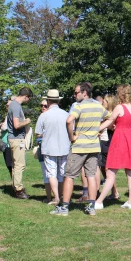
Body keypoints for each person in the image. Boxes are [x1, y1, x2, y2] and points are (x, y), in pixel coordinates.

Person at [51, 82, 110, 217]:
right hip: (94, 146)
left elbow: (68, 120)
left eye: (77, 92)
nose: (74, 95)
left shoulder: (79, 106)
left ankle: (64, 207)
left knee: (69, 176)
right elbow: (111, 117)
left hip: (79, 147)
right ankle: (91, 206)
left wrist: (72, 136)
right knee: (91, 176)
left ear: (85, 93)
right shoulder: (98, 106)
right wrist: (98, 129)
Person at [95, 84, 131, 210]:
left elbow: (110, 121)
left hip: (120, 138)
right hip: (130, 138)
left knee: (111, 171)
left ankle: (99, 201)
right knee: (130, 171)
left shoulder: (120, 107)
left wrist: (95, 129)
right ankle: (130, 202)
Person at [35, 90, 70, 207]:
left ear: (48, 101)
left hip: (49, 148)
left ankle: (56, 196)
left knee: (51, 173)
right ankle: (61, 196)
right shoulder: (66, 114)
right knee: (62, 173)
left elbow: (38, 133)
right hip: (64, 147)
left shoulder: (44, 115)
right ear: (58, 101)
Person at [7, 87, 33, 199]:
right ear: (26, 96)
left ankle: (16, 186)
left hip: (13, 138)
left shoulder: (13, 104)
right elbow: (16, 125)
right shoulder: (16, 106)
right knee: (19, 165)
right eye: (29, 99)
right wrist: (27, 121)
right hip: (17, 139)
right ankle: (19, 190)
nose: (28, 101)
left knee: (15, 164)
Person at [98, 95, 120, 199]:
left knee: (107, 169)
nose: (103, 101)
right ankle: (113, 192)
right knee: (103, 168)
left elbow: (113, 127)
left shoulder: (112, 115)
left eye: (105, 100)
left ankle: (115, 192)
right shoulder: (104, 113)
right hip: (103, 142)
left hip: (108, 143)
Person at [35, 98, 53, 203]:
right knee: (45, 173)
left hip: (52, 148)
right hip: (42, 146)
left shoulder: (51, 117)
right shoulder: (41, 117)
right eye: (41, 105)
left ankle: (57, 197)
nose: (43, 107)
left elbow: (40, 133)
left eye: (45, 106)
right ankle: (49, 197)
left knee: (56, 173)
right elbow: (37, 134)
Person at [0, 96, 17, 178]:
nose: (7, 104)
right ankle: (15, 184)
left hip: (9, 144)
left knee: (10, 165)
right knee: (11, 165)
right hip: (9, 143)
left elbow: (5, 127)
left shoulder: (11, 114)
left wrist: (1, 125)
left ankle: (15, 185)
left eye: (8, 102)